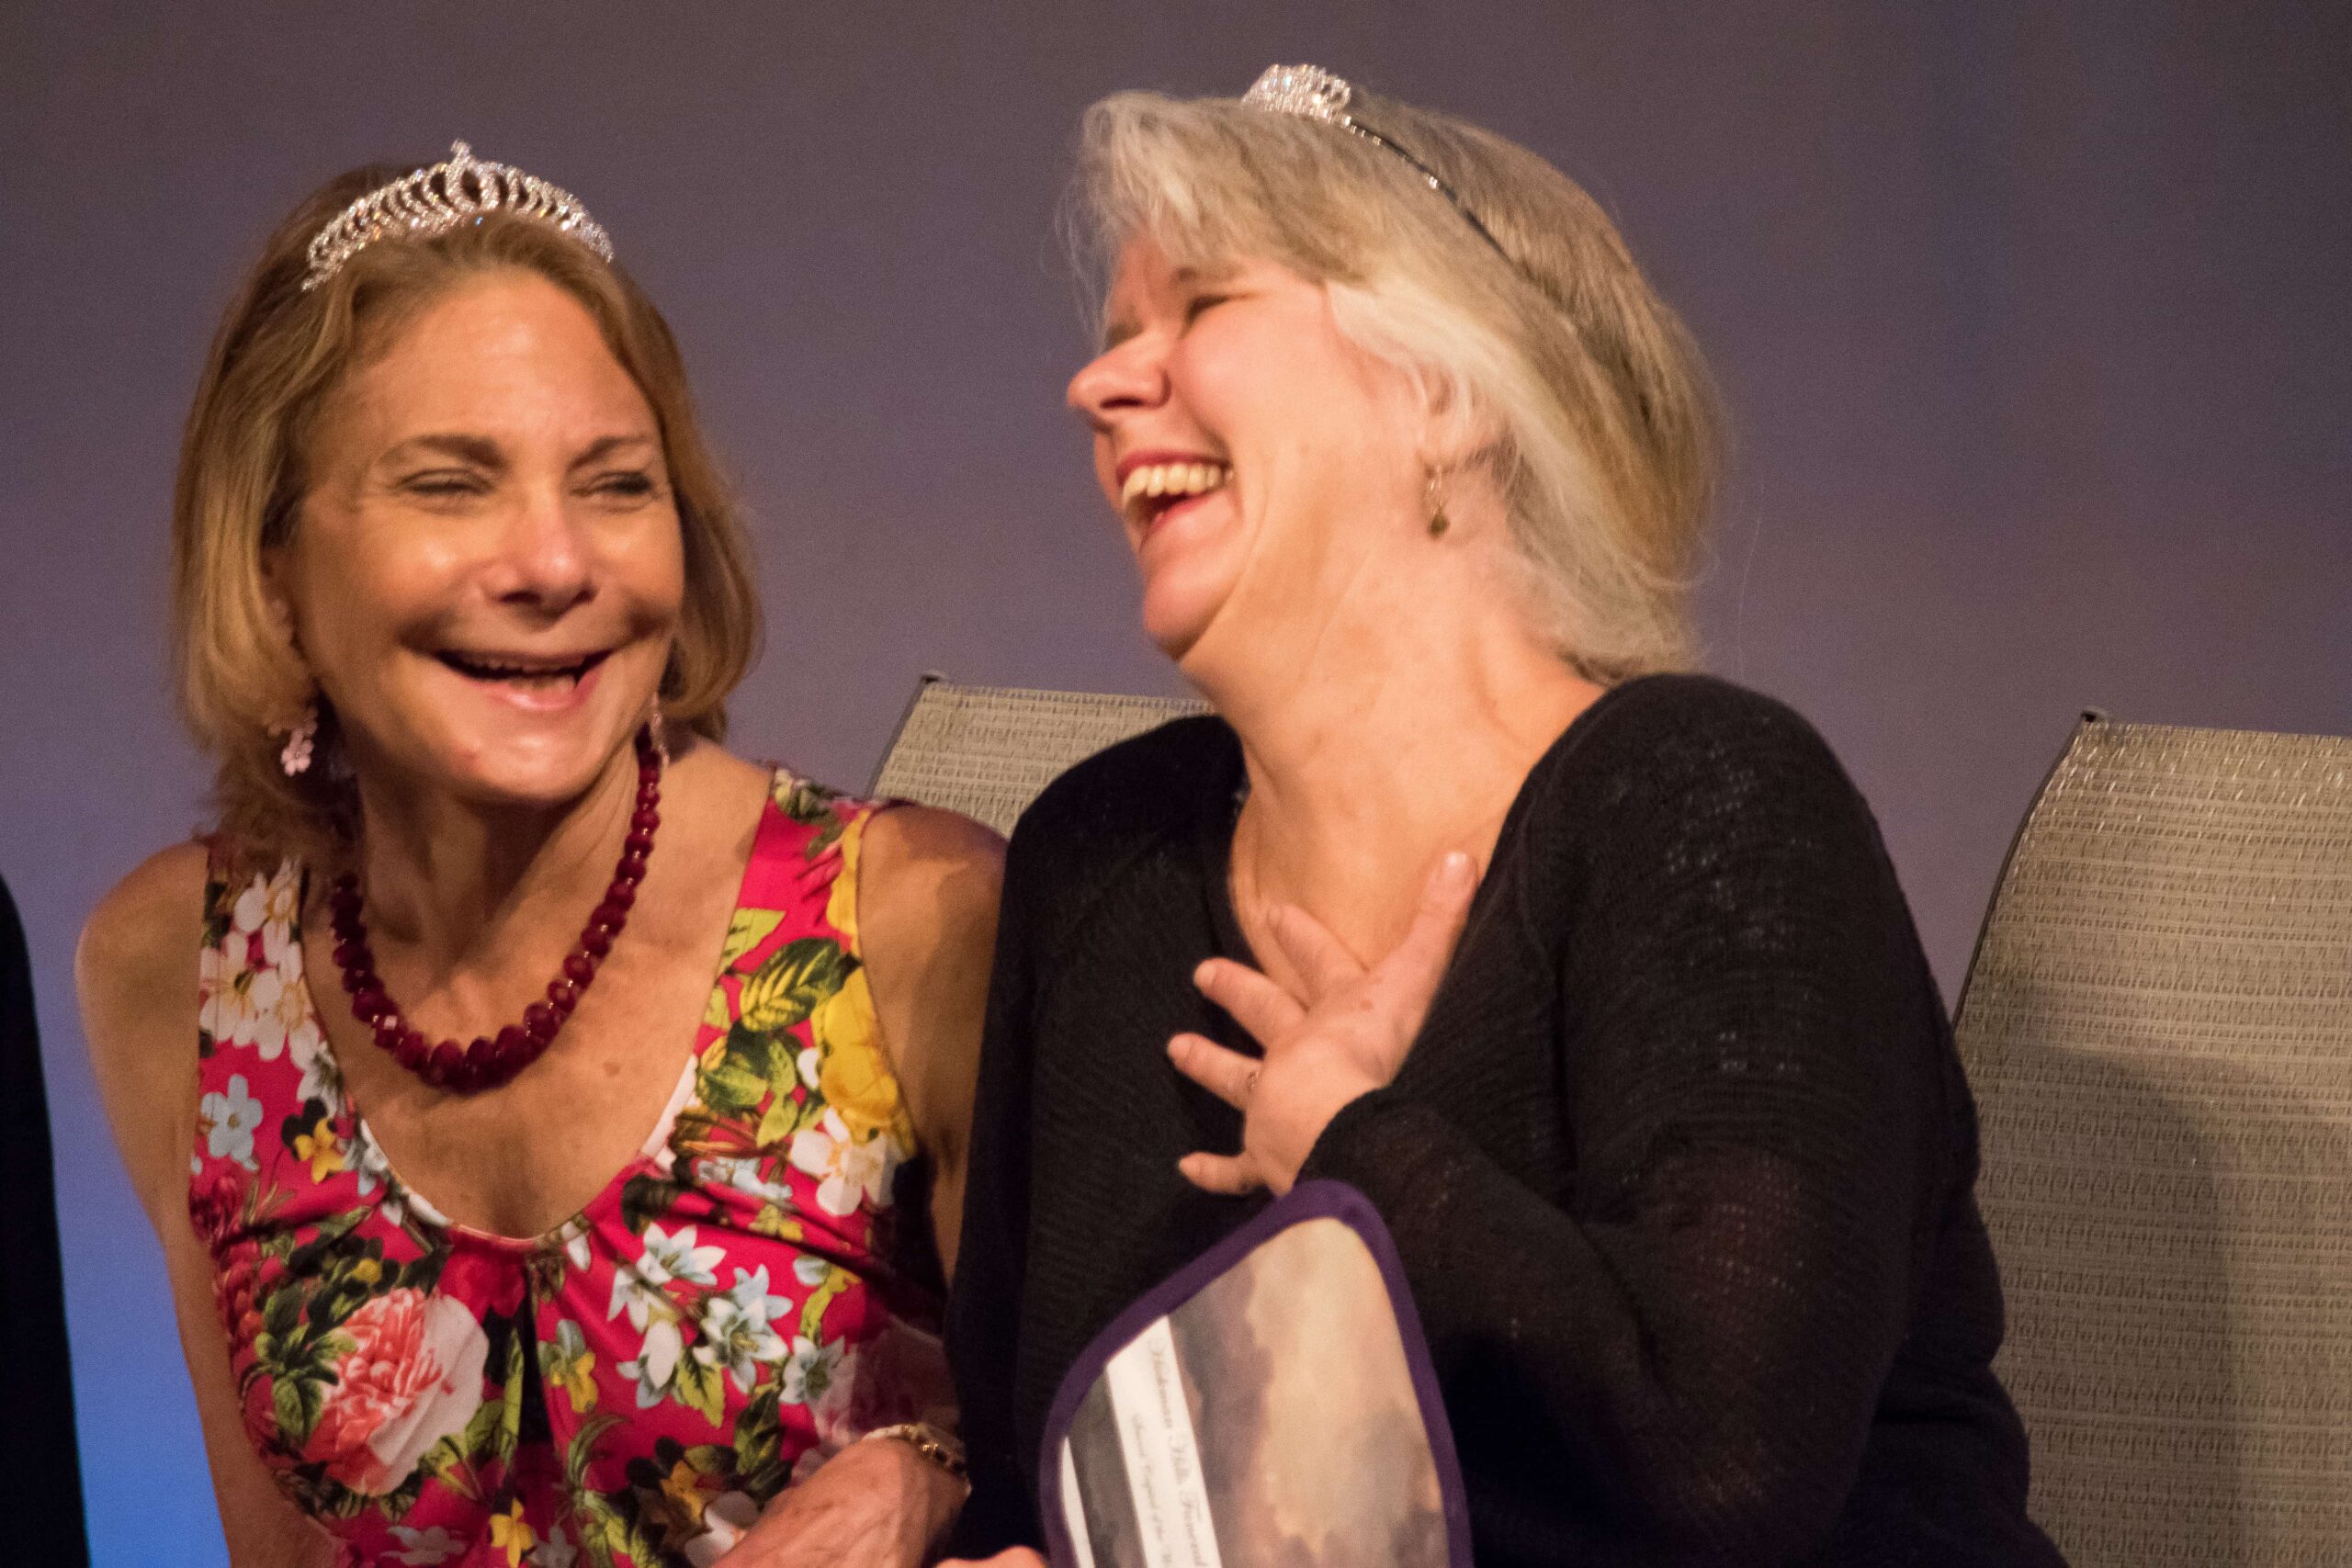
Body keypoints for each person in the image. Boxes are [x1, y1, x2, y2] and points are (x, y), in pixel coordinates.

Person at [944, 67, 2064, 1566]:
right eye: (1108, 337)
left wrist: (1356, 1146)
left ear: (1449, 394)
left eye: (1199, 307)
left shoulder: (1707, 803)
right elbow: (1043, 1479)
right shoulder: (1102, 858)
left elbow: (1727, 1464)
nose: (1100, 387)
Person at [77, 143, 1000, 1568]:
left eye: (617, 486)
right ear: (270, 563)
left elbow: (1107, 1480)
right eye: (450, 486)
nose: (555, 563)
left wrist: (932, 1469)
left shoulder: (916, 924)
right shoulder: (176, 968)